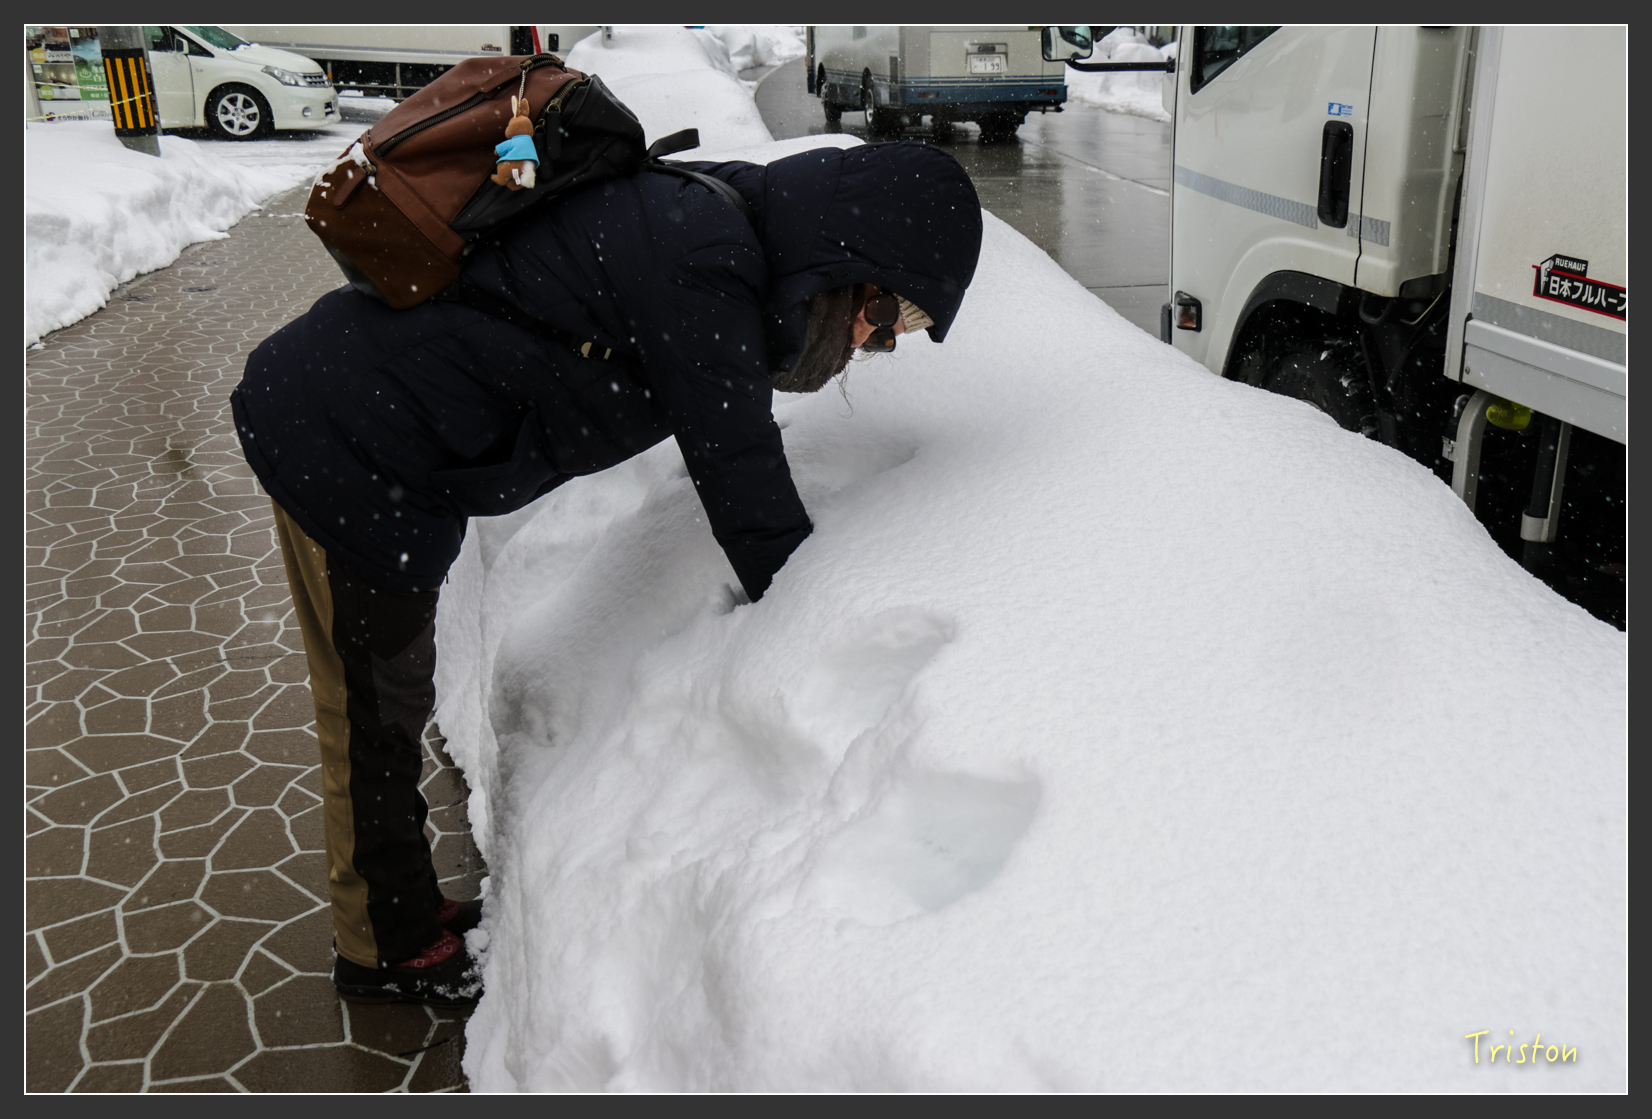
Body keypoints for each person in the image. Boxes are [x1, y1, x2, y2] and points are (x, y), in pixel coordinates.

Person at [230, 141, 984, 1007]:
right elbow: (746, 488)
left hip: (388, 433)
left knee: (386, 697)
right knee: (373, 710)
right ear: (851, 256)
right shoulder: (710, 264)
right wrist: (820, 632)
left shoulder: (725, 231)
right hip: (349, 438)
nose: (879, 340)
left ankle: (398, 907)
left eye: (907, 335)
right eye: (892, 314)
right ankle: (382, 948)